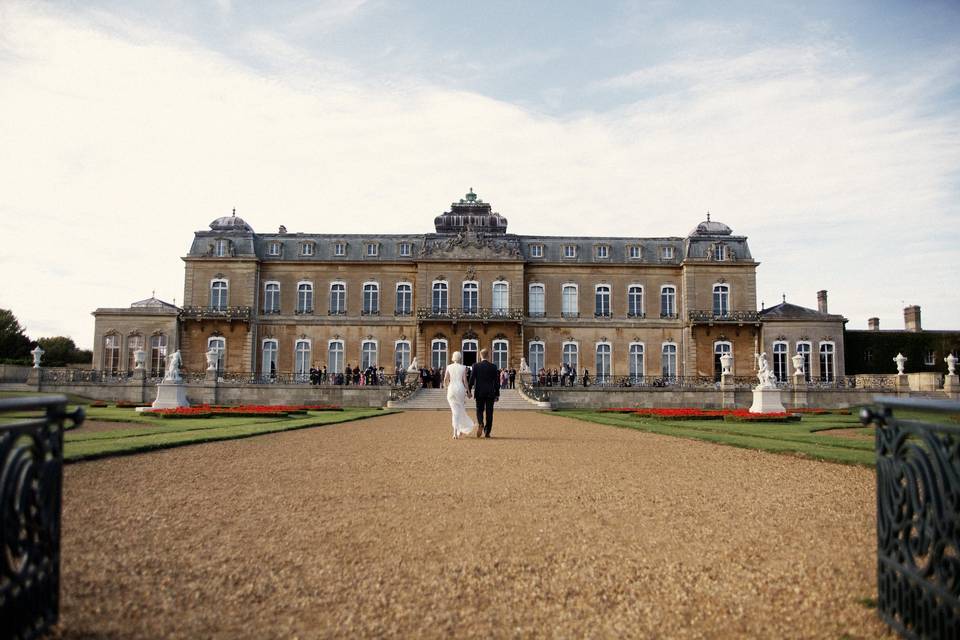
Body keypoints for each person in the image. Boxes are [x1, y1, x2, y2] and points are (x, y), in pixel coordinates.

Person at [468, 348, 500, 438]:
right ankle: (487, 431)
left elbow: (471, 379)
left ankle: (481, 423)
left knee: (479, 410)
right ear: (488, 355)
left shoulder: (475, 366)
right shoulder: (493, 366)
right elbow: (496, 382)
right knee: (489, 412)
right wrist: (497, 394)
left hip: (479, 392)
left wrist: (469, 390)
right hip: (490, 392)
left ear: (480, 356)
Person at [444, 351, 476, 439]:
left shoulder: (449, 367)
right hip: (460, 389)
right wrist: (468, 392)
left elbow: (445, 379)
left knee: (455, 412)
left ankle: (456, 432)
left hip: (451, 389)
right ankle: (458, 431)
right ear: (460, 358)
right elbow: (465, 381)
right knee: (460, 410)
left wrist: (446, 387)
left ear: (453, 357)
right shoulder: (463, 367)